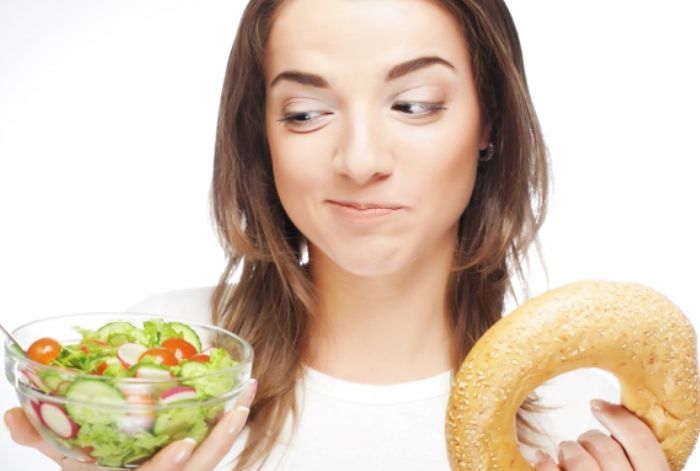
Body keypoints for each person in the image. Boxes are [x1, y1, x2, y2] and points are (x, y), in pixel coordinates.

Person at [4, 0, 672, 470]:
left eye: (414, 105)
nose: (359, 160)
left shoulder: (591, 415)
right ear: (260, 135)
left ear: (488, 118)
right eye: (305, 113)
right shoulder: (159, 376)